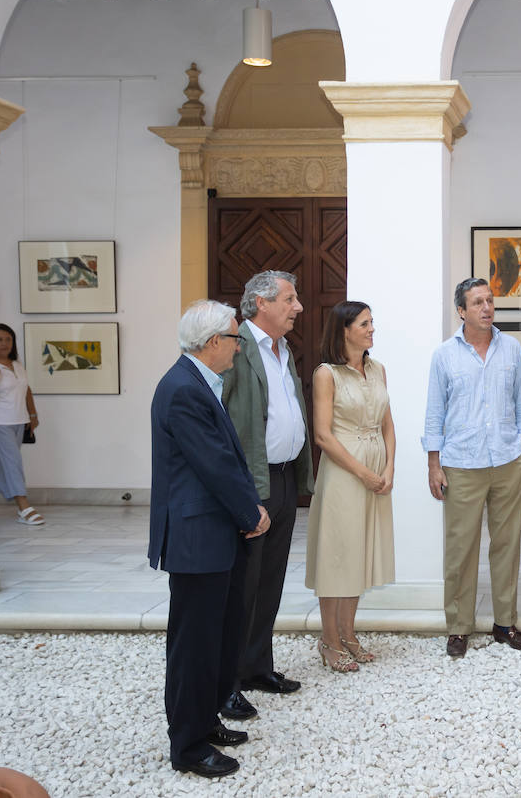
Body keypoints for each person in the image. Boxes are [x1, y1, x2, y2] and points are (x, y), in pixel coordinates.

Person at [149, 300, 270, 779]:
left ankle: (206, 719)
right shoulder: (183, 388)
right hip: (199, 535)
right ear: (214, 341)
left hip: (214, 532)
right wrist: (251, 512)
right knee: (194, 644)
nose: (239, 350)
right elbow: (214, 463)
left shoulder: (197, 382)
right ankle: (189, 745)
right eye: (236, 340)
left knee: (218, 635)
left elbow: (221, 458)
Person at [424, 278, 521, 658]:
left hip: (508, 461)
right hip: (461, 464)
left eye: (490, 301)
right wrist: (433, 464)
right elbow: (434, 413)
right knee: (461, 549)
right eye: (477, 303)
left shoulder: (512, 349)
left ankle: (505, 623)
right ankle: (459, 627)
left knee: (507, 546)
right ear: (461, 311)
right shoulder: (444, 355)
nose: (486, 308)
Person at [220, 271, 314, 719]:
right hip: (251, 481)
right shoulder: (235, 348)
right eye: (290, 299)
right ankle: (227, 680)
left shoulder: (283, 349)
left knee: (271, 579)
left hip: (282, 480)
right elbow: (221, 419)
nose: (298, 307)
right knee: (242, 586)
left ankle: (257, 666)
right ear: (261, 303)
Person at [306, 301, 396, 671]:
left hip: (376, 466)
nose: (372, 329)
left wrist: (389, 467)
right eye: (365, 323)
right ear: (344, 329)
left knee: (358, 552)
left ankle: (348, 633)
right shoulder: (326, 374)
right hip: (344, 472)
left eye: (372, 322)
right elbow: (323, 435)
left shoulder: (378, 369)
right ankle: (328, 640)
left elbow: (388, 424)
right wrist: (363, 472)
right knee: (337, 555)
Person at [0, 323, 43, 527]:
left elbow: (26, 390)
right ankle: (23, 506)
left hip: (18, 421)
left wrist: (32, 414)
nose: (4, 343)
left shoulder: (17, 365)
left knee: (1, 466)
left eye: (8, 339)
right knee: (13, 464)